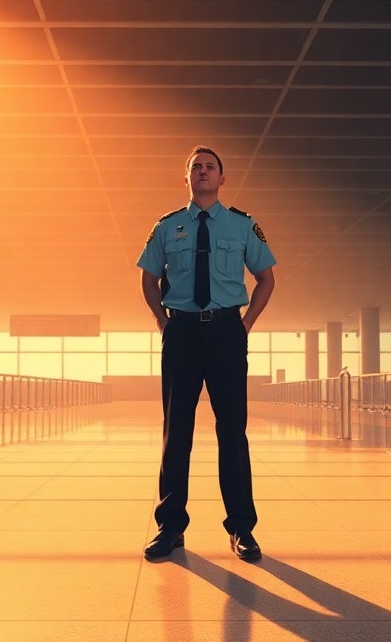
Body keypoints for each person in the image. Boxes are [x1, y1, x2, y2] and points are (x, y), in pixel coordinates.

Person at [136, 145, 276, 562]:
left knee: (232, 433)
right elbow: (147, 279)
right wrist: (164, 322)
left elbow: (266, 279)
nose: (202, 172)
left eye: (210, 167)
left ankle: (241, 529)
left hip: (225, 334)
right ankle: (170, 528)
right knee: (175, 433)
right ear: (187, 179)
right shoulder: (166, 227)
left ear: (222, 178)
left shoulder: (242, 226)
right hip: (180, 334)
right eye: (195, 167)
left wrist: (245, 324)